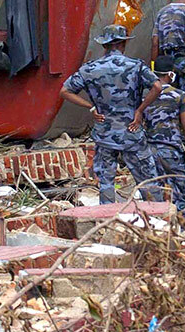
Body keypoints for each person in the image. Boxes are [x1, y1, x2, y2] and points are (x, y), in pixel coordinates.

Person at [61, 24, 159, 205]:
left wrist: (91, 107)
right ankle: (157, 218)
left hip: (104, 132)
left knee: (106, 182)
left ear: (104, 45)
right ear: (122, 44)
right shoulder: (135, 66)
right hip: (132, 131)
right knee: (147, 181)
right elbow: (157, 86)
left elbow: (65, 91)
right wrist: (139, 110)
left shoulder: (90, 69)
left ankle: (107, 222)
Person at [142, 57, 185, 213]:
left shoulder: (145, 96)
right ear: (170, 74)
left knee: (157, 193)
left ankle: (159, 226)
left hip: (149, 150)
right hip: (171, 151)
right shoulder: (179, 95)